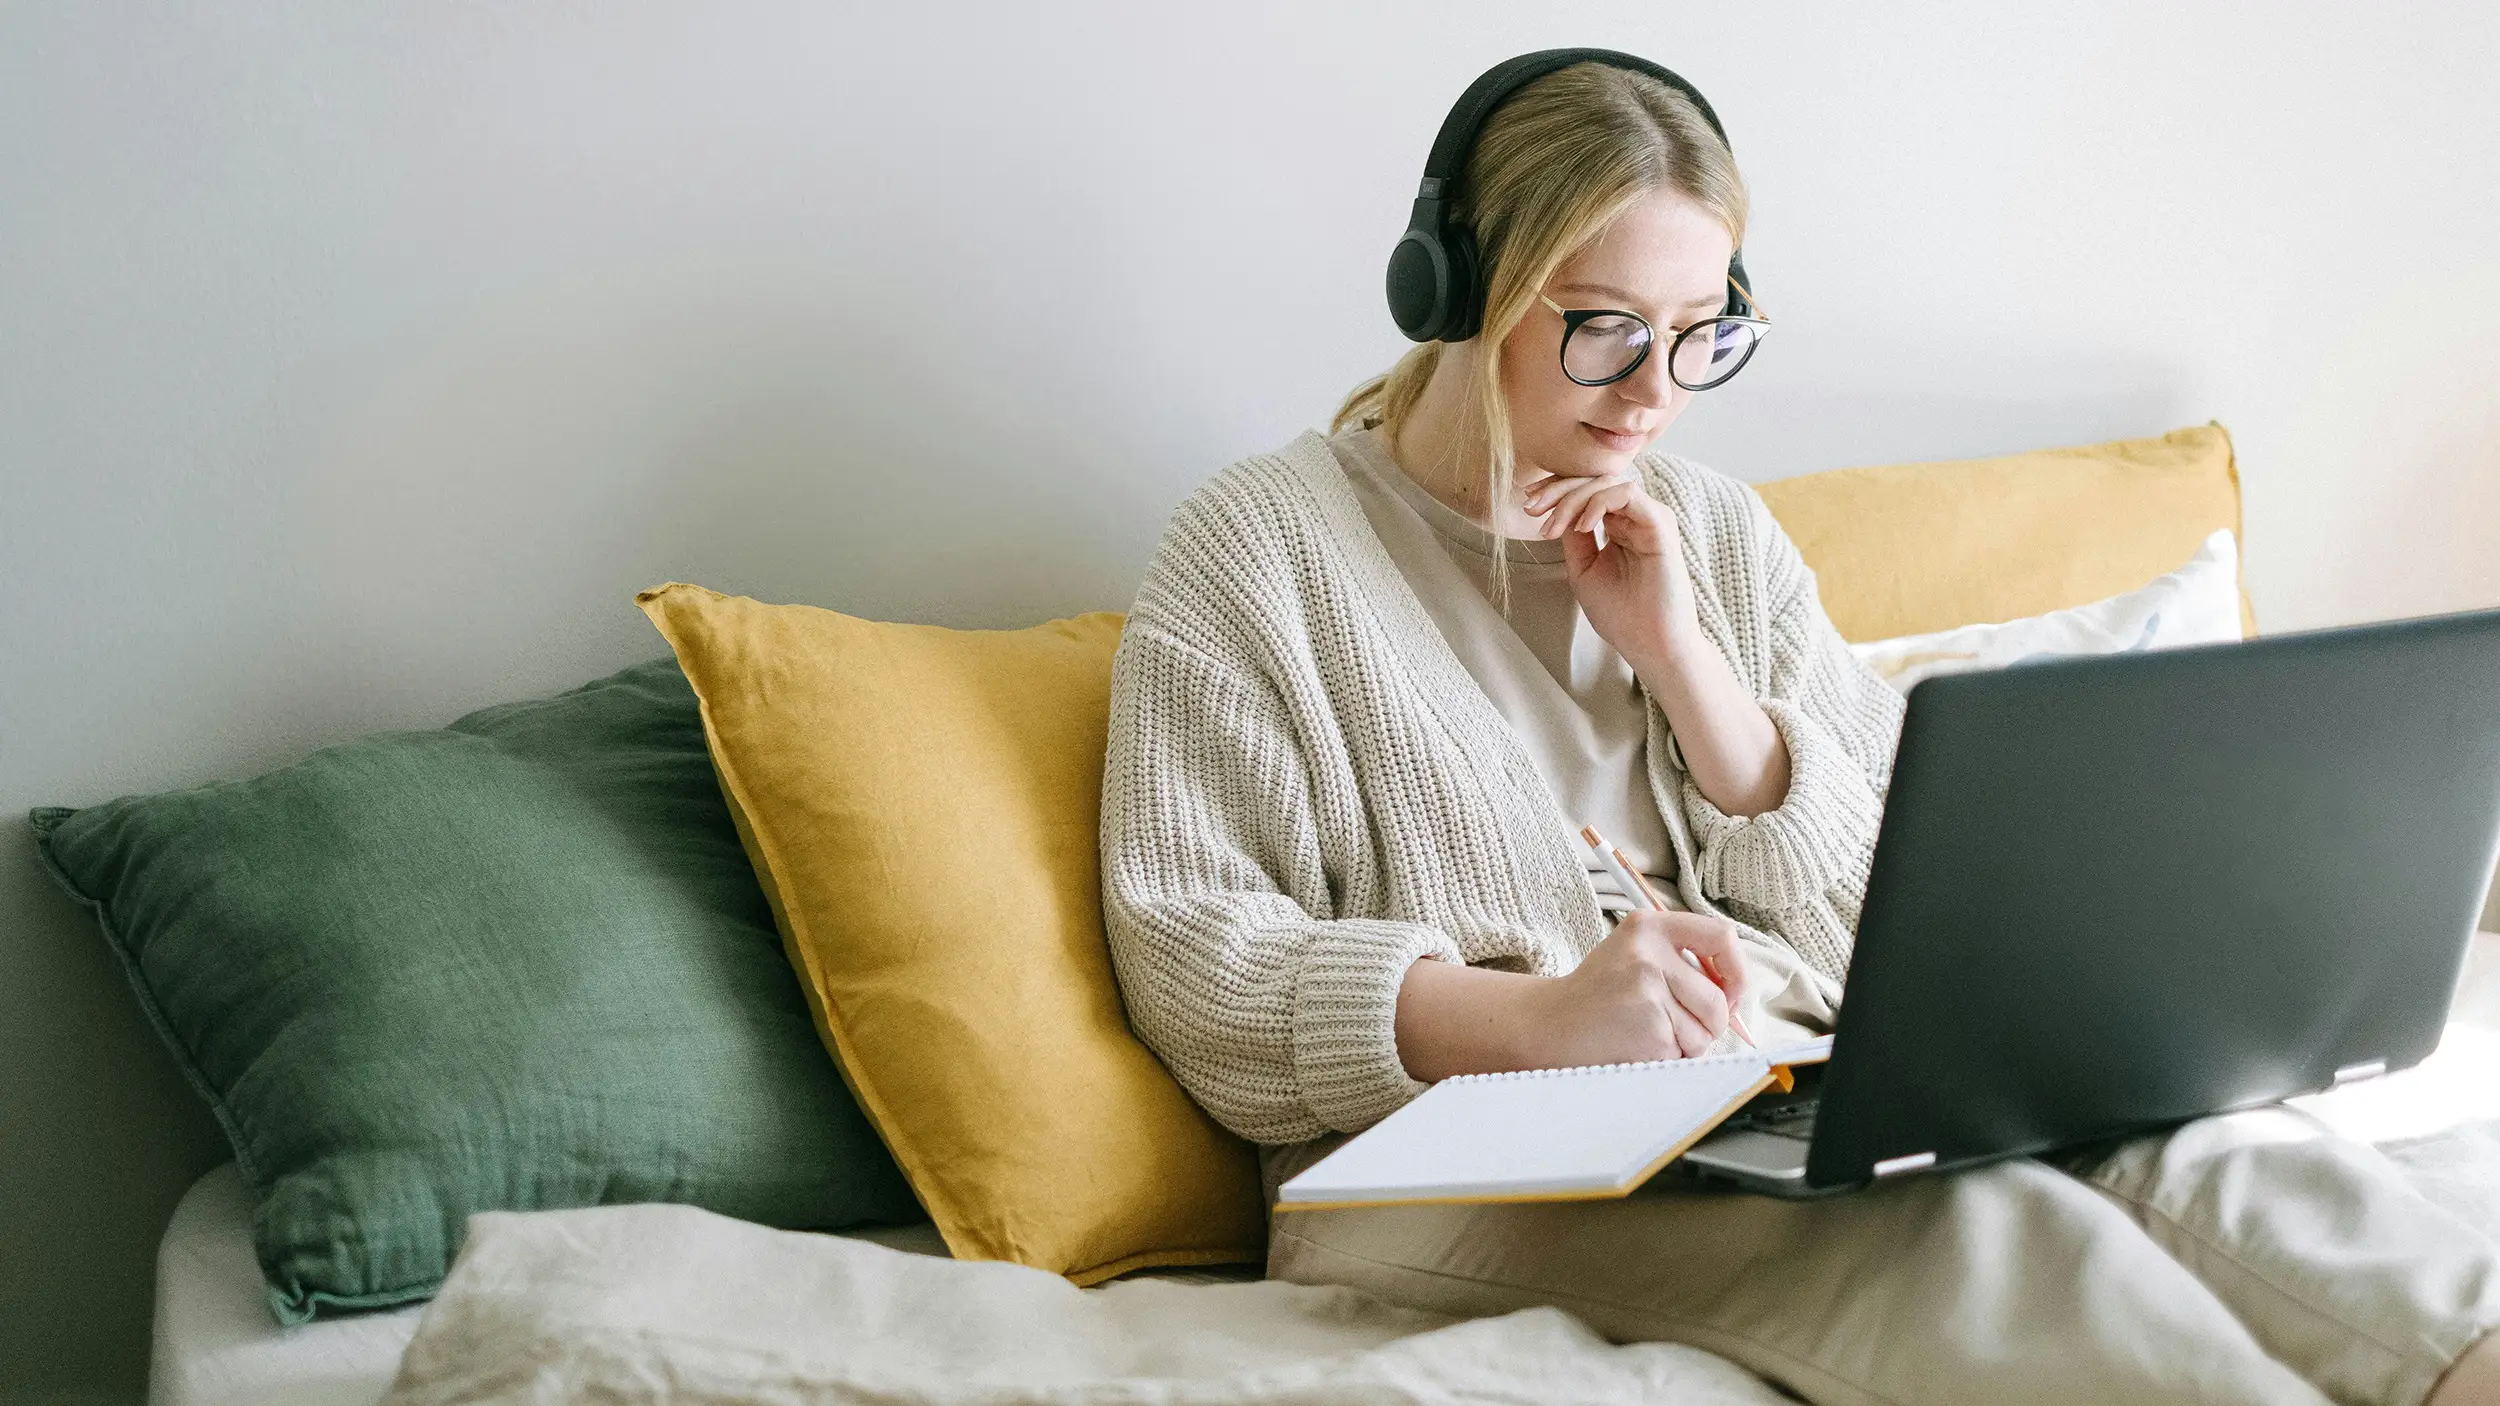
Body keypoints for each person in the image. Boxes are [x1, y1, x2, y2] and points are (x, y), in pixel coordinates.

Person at [1098, 52, 2500, 1406]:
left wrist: (1687, 663)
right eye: (1603, 327)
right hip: (1439, 1167)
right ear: (1460, 291)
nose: (1655, 390)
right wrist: (1540, 1019)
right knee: (1997, 1248)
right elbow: (1200, 960)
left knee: (2232, 1163)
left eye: (1700, 333)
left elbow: (1897, 884)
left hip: (1781, 1091)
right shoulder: (1258, 552)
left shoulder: (1708, 528)